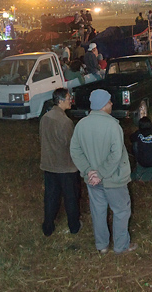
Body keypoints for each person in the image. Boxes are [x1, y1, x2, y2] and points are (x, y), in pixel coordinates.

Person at [69, 89, 135, 254]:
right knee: (121, 211)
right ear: (103, 105)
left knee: (98, 212)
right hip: (114, 179)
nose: (112, 104)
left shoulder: (81, 125)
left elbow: (75, 150)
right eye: (109, 101)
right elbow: (116, 155)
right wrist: (101, 173)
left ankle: (102, 245)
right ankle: (121, 246)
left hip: (92, 181)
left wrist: (88, 171)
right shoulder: (113, 126)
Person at [40, 88, 80, 237]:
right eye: (69, 98)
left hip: (49, 164)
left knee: (51, 196)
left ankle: (48, 227)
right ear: (61, 100)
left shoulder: (45, 117)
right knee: (71, 197)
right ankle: (74, 226)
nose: (71, 100)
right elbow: (72, 145)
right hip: (65, 167)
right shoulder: (65, 122)